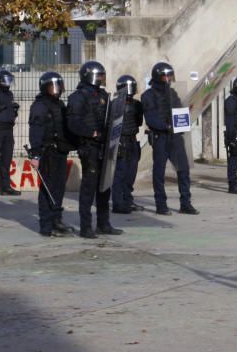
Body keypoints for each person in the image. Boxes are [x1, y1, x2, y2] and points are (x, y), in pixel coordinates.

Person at [67, 61, 124, 237]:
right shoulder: (78, 97)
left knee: (105, 186)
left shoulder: (104, 95)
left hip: (104, 145)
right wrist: (91, 133)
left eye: (102, 75)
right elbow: (73, 122)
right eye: (98, 75)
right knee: (89, 187)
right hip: (89, 146)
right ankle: (86, 227)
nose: (100, 78)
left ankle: (103, 223)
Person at [140, 62, 200, 214]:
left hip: (175, 137)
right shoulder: (147, 95)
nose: (167, 78)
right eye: (165, 76)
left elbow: (179, 110)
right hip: (160, 137)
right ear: (158, 77)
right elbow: (150, 117)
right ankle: (161, 205)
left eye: (169, 75)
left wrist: (183, 120)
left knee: (183, 169)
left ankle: (185, 203)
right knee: (159, 172)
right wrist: (165, 126)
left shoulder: (172, 93)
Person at [28, 72, 77, 237]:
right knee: (47, 189)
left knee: (59, 188)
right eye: (52, 87)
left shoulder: (60, 105)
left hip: (60, 151)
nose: (56, 90)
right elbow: (35, 131)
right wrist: (35, 156)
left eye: (58, 86)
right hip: (46, 152)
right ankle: (46, 226)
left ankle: (57, 219)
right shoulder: (39, 106)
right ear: (44, 88)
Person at [112, 75, 147, 214]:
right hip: (121, 140)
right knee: (120, 173)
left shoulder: (137, 104)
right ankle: (117, 203)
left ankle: (128, 200)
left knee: (131, 173)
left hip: (133, 139)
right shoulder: (115, 104)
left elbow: (139, 122)